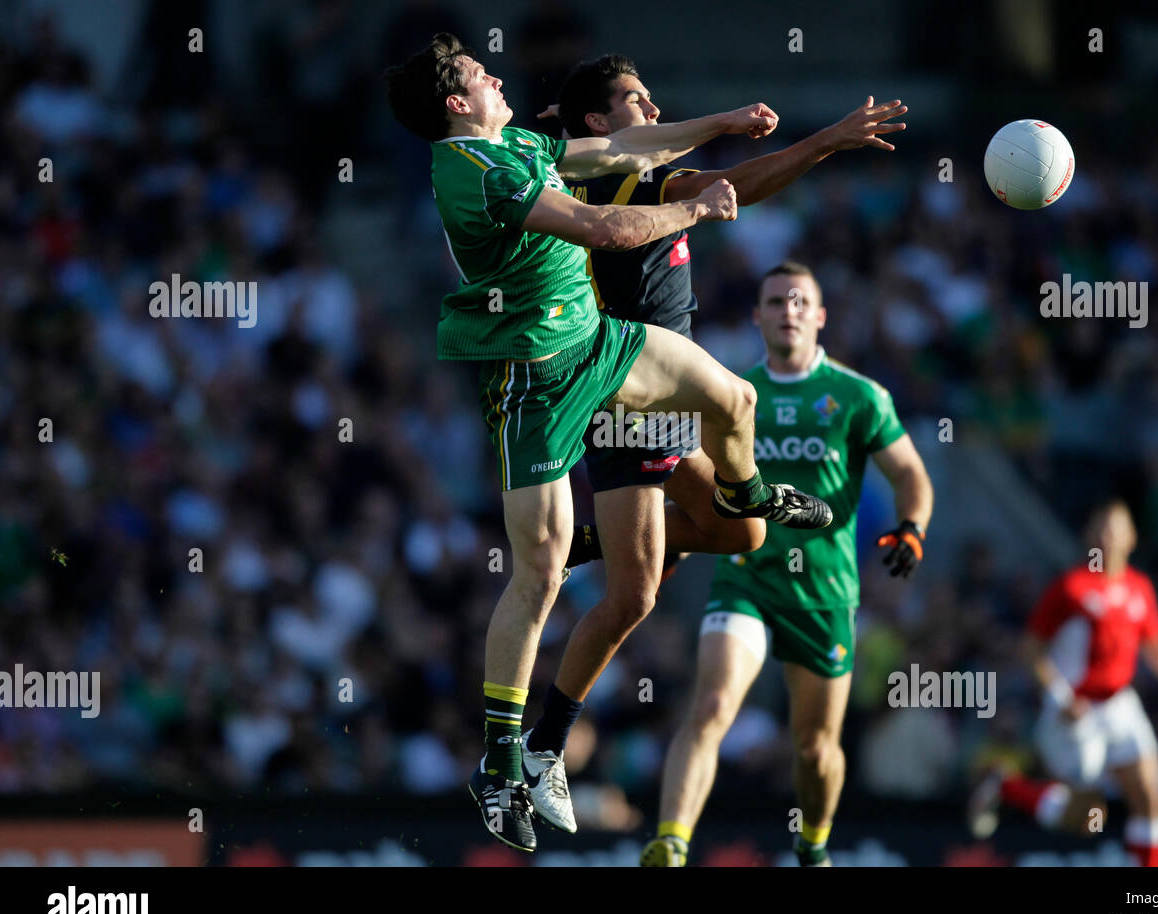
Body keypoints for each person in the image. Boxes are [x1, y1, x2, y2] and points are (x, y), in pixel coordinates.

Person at [383, 34, 832, 852]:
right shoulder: (477, 172)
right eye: (480, 75)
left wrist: (727, 121)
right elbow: (598, 226)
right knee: (543, 570)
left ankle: (745, 493)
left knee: (733, 399)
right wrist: (697, 207)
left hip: (598, 342)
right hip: (536, 377)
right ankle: (500, 764)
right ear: (456, 104)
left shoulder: (510, 142)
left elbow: (620, 146)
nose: (495, 74)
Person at [520, 54, 908, 836]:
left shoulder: (612, 174)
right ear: (598, 123)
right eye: (637, 99)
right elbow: (746, 183)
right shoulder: (617, 183)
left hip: (660, 397)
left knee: (742, 530)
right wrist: (828, 138)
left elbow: (732, 179)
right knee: (638, 596)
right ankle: (542, 746)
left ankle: (587, 545)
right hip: (632, 398)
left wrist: (814, 141)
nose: (654, 106)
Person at [640, 261, 934, 866]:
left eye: (800, 301)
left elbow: (910, 474)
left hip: (824, 591)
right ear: (757, 316)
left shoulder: (859, 397)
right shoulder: (731, 395)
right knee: (713, 705)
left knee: (815, 747)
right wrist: (675, 538)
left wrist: (912, 529)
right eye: (775, 301)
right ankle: (671, 841)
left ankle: (814, 845)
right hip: (747, 577)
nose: (788, 311)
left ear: (821, 316)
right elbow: (693, 483)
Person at [967, 499, 1158, 867]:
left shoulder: (1139, 588)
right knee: (1087, 819)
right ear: (1088, 535)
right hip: (1075, 714)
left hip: (1120, 705)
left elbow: (1157, 644)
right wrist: (1062, 698)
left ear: (1132, 537)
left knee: (1149, 794)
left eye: (1115, 528)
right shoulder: (1070, 588)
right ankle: (1006, 785)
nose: (1107, 537)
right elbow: (1031, 650)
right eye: (1100, 528)